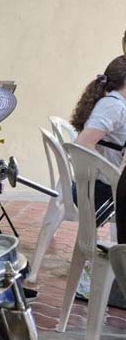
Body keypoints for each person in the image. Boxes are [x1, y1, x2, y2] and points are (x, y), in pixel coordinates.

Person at [71, 56, 126, 220]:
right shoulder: (113, 106)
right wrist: (115, 175)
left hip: (99, 187)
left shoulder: (115, 103)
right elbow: (82, 144)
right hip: (100, 192)